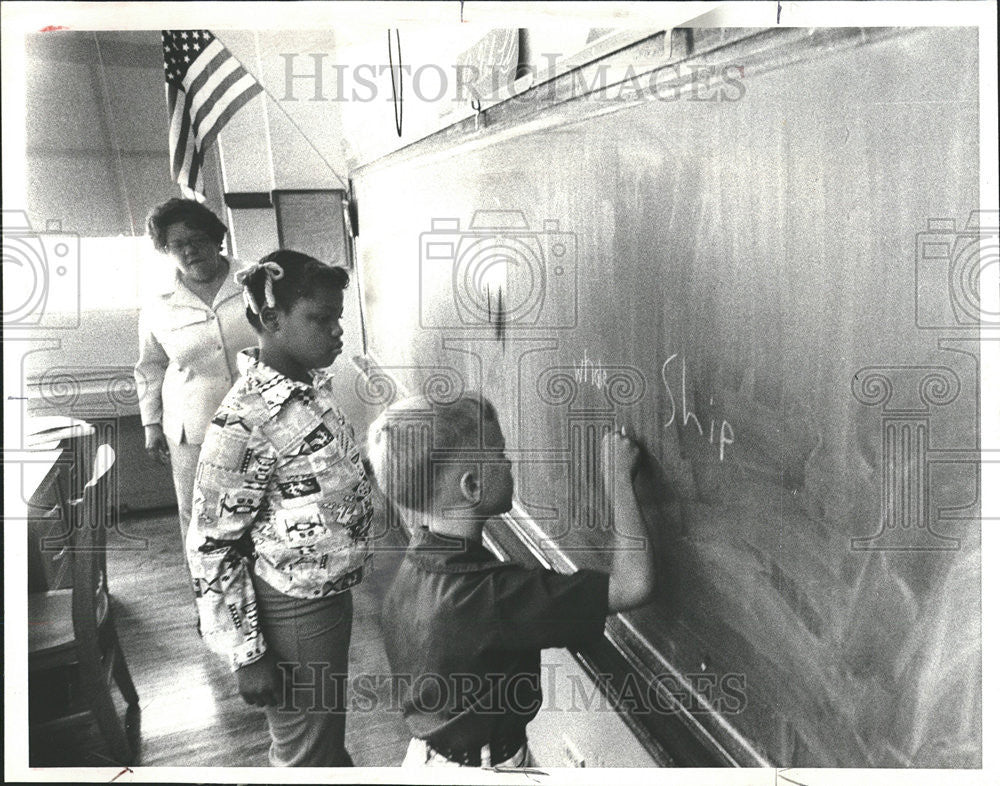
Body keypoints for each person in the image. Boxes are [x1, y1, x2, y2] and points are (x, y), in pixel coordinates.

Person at [369, 393, 654, 768]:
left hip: (427, 760)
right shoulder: (496, 596)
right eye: (500, 455)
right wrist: (618, 479)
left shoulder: (416, 562)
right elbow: (635, 585)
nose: (509, 463)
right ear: (471, 487)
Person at [187, 250, 371, 767]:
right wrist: (248, 653)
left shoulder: (310, 390)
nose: (336, 332)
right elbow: (211, 544)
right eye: (320, 319)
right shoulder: (246, 419)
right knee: (304, 753)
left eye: (338, 318)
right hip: (291, 606)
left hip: (326, 591)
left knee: (321, 737)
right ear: (271, 320)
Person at [134, 198, 257, 549]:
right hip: (192, 427)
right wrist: (150, 424)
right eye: (177, 244)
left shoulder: (255, 280)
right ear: (166, 250)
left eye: (198, 239)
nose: (190, 250)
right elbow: (150, 365)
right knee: (198, 513)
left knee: (261, 507)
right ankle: (208, 595)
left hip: (260, 419)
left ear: (217, 238)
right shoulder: (159, 302)